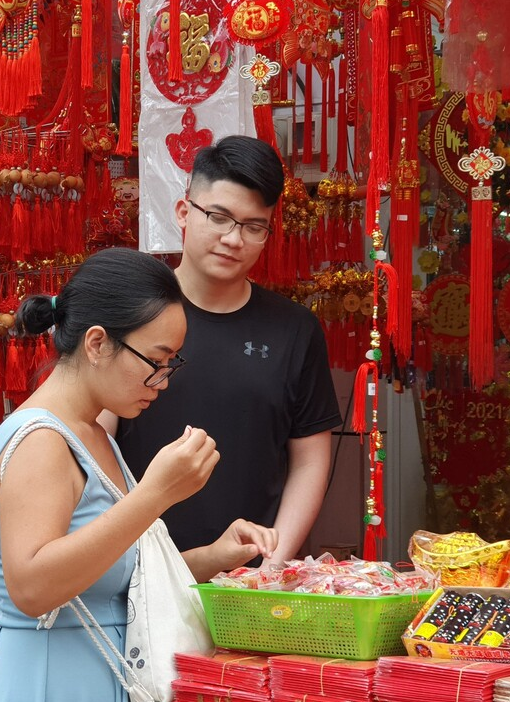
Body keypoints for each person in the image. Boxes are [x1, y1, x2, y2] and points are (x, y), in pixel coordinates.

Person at [0, 247, 277, 702]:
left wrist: (209, 559)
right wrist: (153, 496)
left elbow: (107, 576)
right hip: (56, 695)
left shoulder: (94, 433)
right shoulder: (39, 439)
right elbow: (33, 586)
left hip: (108, 686)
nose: (163, 380)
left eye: (172, 363)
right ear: (98, 343)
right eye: (156, 360)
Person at [113, 136, 342, 564]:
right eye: (218, 217)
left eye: (254, 226)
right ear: (184, 212)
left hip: (250, 585)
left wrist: (272, 564)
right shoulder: (132, 315)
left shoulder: (294, 329)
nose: (233, 239)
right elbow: (94, 437)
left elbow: (311, 461)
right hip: (137, 575)